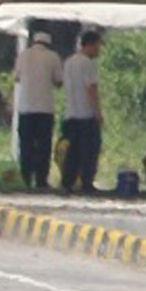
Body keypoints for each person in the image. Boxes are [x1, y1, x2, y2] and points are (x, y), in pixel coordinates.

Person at [10, 25, 63, 186]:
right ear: (48, 44)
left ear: (34, 41)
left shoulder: (23, 56)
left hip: (25, 107)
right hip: (45, 108)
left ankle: (26, 177)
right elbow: (58, 81)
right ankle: (41, 179)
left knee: (25, 144)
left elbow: (16, 78)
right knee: (43, 146)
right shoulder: (53, 57)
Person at [59, 28, 106, 193]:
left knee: (73, 151)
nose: (99, 50)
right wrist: (98, 112)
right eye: (98, 46)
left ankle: (67, 181)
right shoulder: (87, 63)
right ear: (91, 45)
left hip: (71, 113)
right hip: (86, 114)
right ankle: (87, 182)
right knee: (89, 150)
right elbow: (91, 89)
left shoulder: (69, 62)